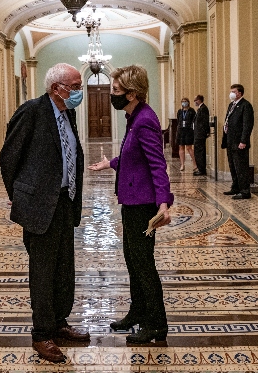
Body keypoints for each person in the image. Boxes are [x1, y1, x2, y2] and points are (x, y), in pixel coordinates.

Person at [0, 63, 89, 363]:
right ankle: (41, 335)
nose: (79, 91)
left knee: (64, 266)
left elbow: (69, 153)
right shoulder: (31, 111)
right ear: (56, 88)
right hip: (39, 204)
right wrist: (19, 196)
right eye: (74, 86)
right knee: (43, 270)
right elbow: (9, 156)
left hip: (64, 201)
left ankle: (59, 322)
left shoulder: (67, 112)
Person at [88, 65, 173, 344]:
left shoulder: (145, 119)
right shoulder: (134, 116)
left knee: (143, 263)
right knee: (133, 261)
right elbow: (133, 156)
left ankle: (156, 325)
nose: (112, 95)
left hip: (143, 205)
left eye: (115, 91)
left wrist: (164, 202)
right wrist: (111, 163)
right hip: (132, 201)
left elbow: (157, 164)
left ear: (132, 93)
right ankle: (138, 311)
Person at [221, 84, 254, 199]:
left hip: (239, 142)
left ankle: (245, 191)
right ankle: (235, 187)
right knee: (233, 166)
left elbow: (247, 125)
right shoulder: (232, 105)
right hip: (230, 140)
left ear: (239, 93)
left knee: (241, 168)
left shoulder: (246, 105)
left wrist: (243, 141)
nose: (231, 93)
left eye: (233, 91)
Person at [175, 97, 197, 172]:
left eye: (185, 101)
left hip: (189, 130)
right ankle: (182, 164)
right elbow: (178, 120)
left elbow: (194, 120)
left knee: (189, 147)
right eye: (183, 101)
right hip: (181, 130)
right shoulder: (180, 111)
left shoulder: (191, 111)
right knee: (181, 147)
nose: (184, 103)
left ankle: (194, 163)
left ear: (188, 102)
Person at [193, 95, 211, 176]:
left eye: (195, 100)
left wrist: (205, 132)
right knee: (198, 151)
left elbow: (204, 122)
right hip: (198, 133)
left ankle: (202, 169)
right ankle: (200, 168)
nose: (194, 102)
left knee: (200, 152)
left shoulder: (203, 109)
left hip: (200, 134)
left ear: (199, 100)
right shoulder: (200, 108)